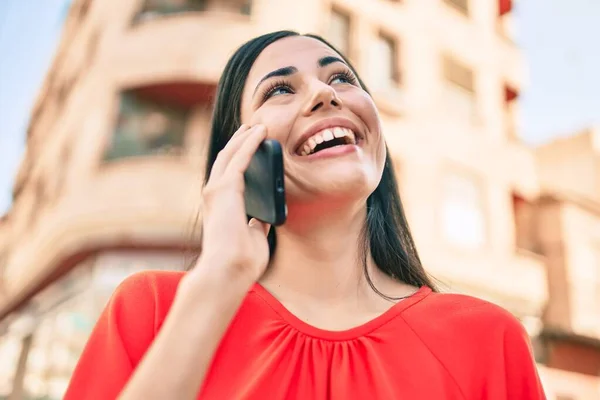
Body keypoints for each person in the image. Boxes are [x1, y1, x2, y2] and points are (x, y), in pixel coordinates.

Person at [65, 31, 546, 400]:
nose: (323, 93)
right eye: (278, 90)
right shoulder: (151, 311)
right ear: (239, 155)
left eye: (341, 78)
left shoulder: (487, 338)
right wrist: (217, 282)